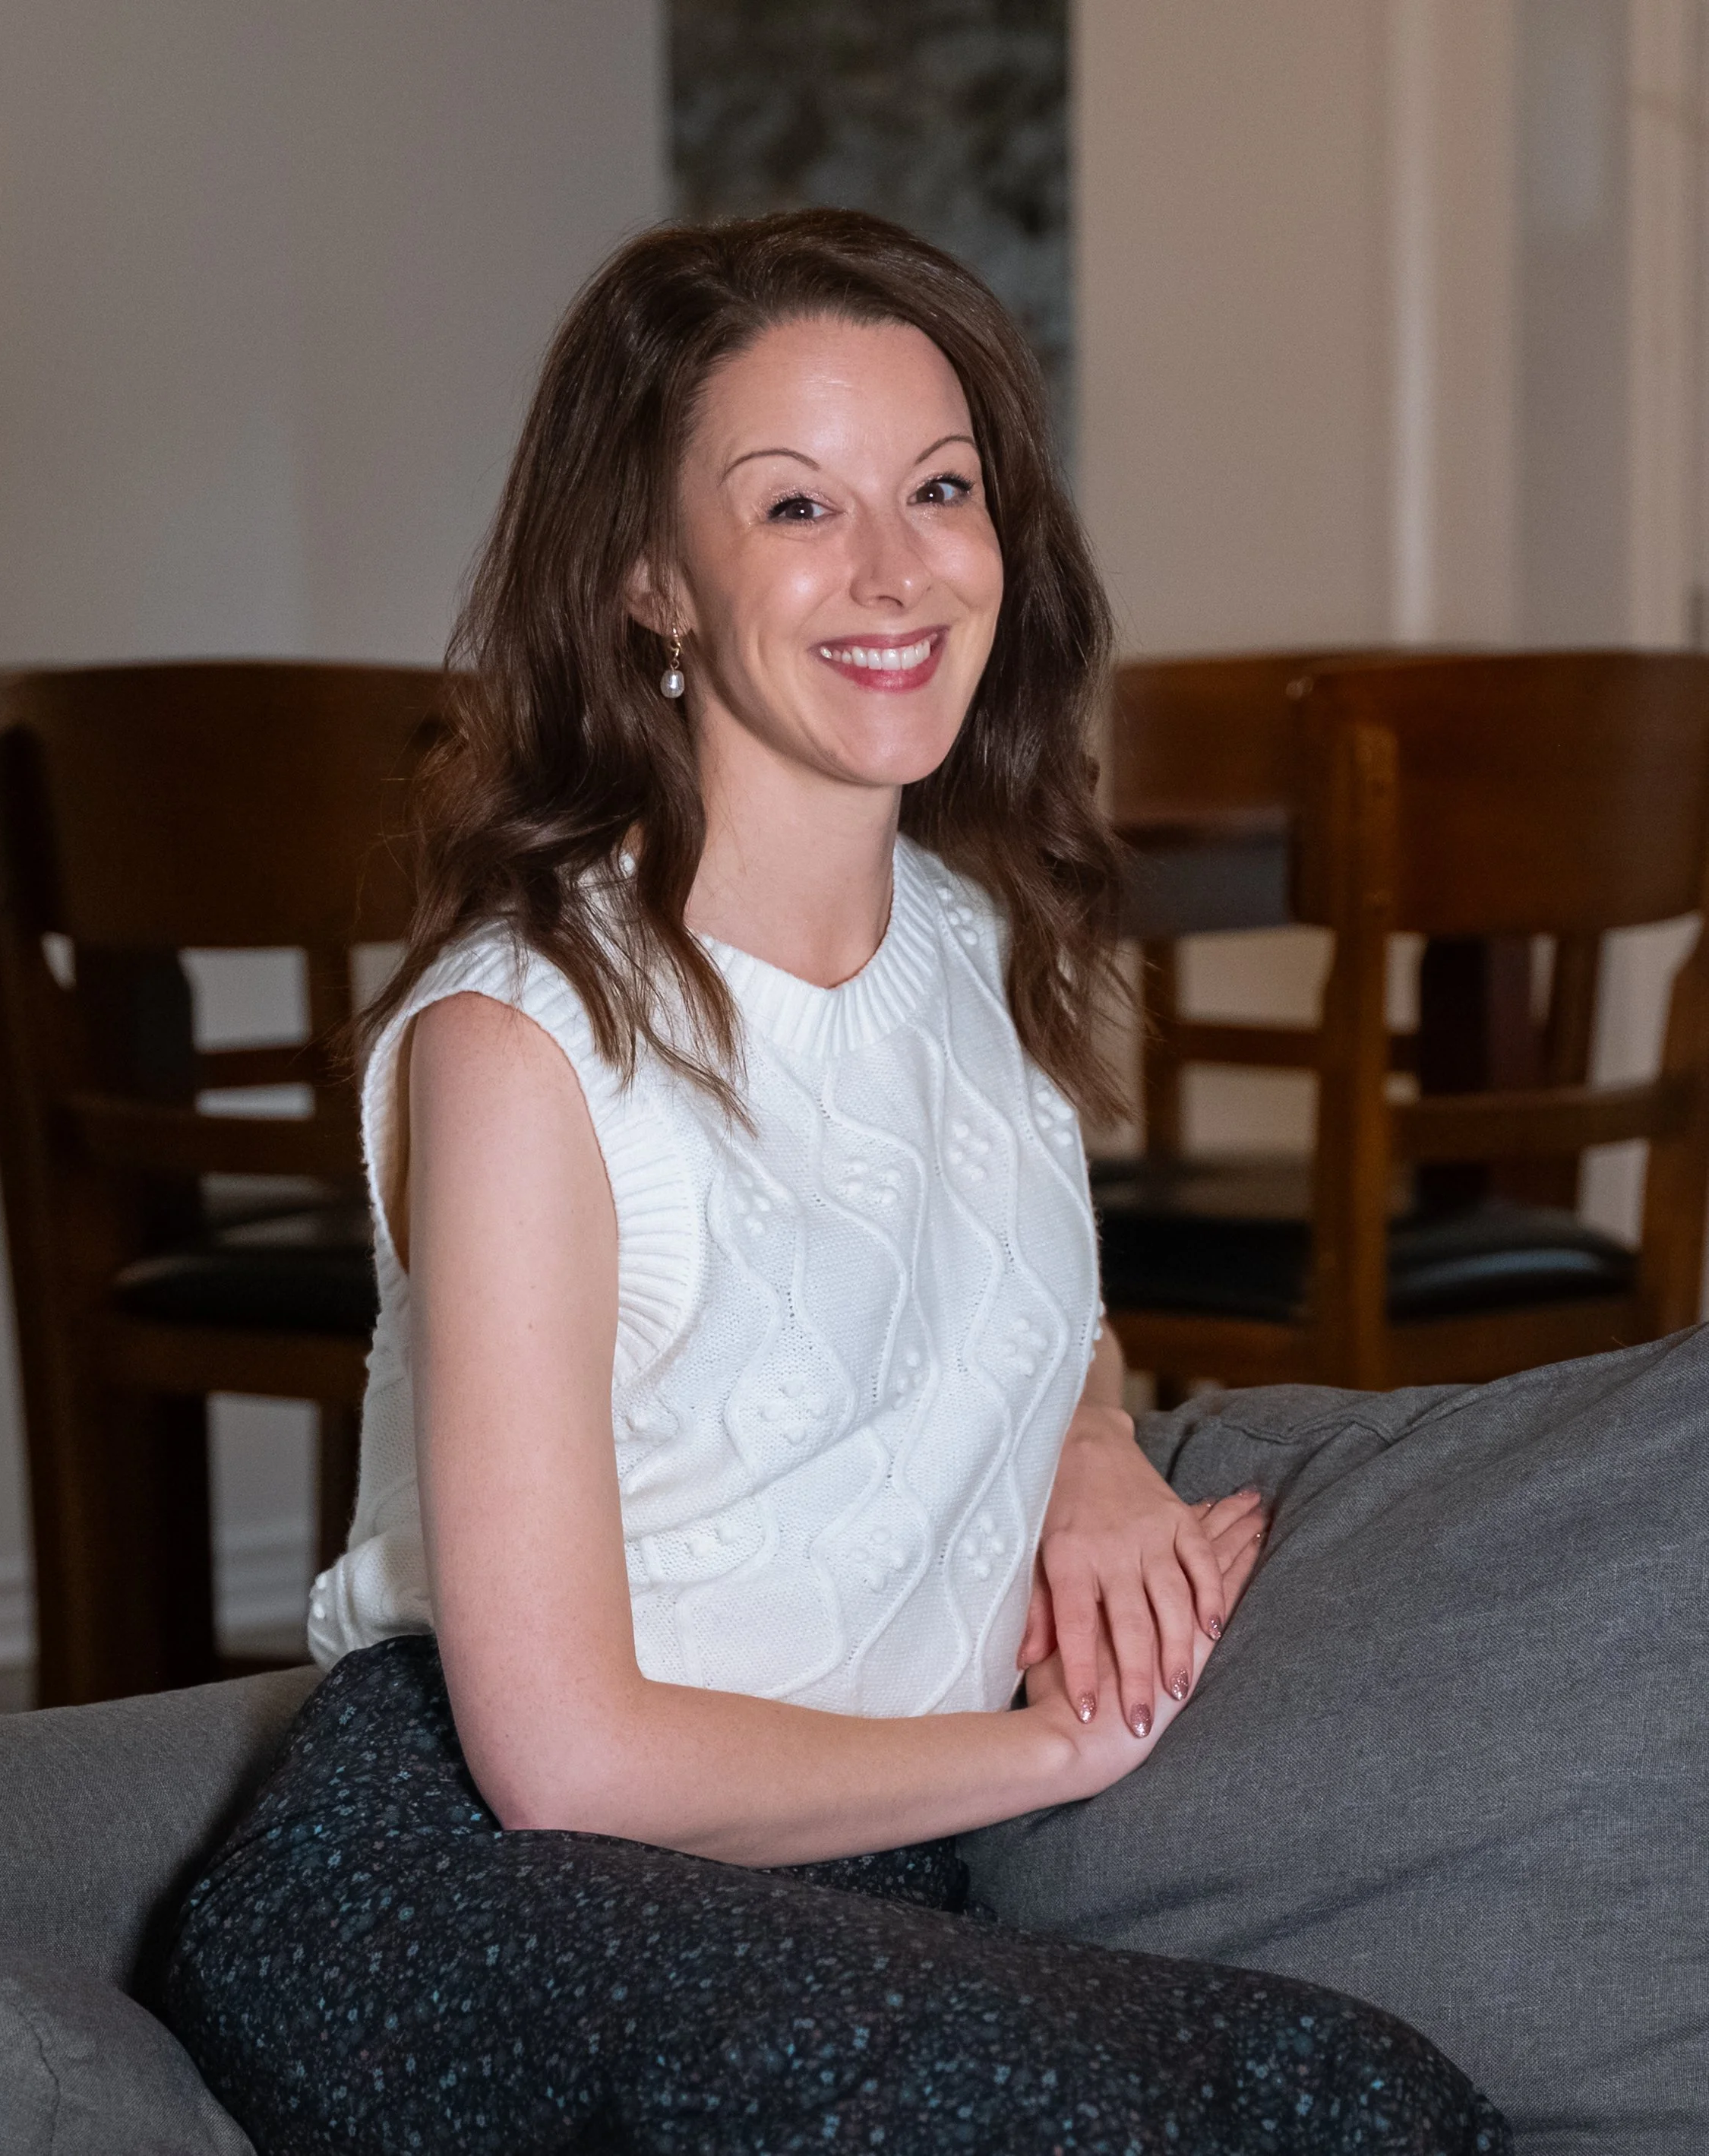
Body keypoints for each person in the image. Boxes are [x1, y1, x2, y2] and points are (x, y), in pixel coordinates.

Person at [160, 210, 1508, 2154]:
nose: (894, 569)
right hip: (478, 1893)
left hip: (851, 1882)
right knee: (1247, 2104)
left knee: (1363, 2091)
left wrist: (1091, 1444)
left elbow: (1009, 1304)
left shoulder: (975, 942)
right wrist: (1057, 1745)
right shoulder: (524, 1046)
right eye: (796, 505)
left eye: (939, 489)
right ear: (648, 580)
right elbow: (562, 1765)